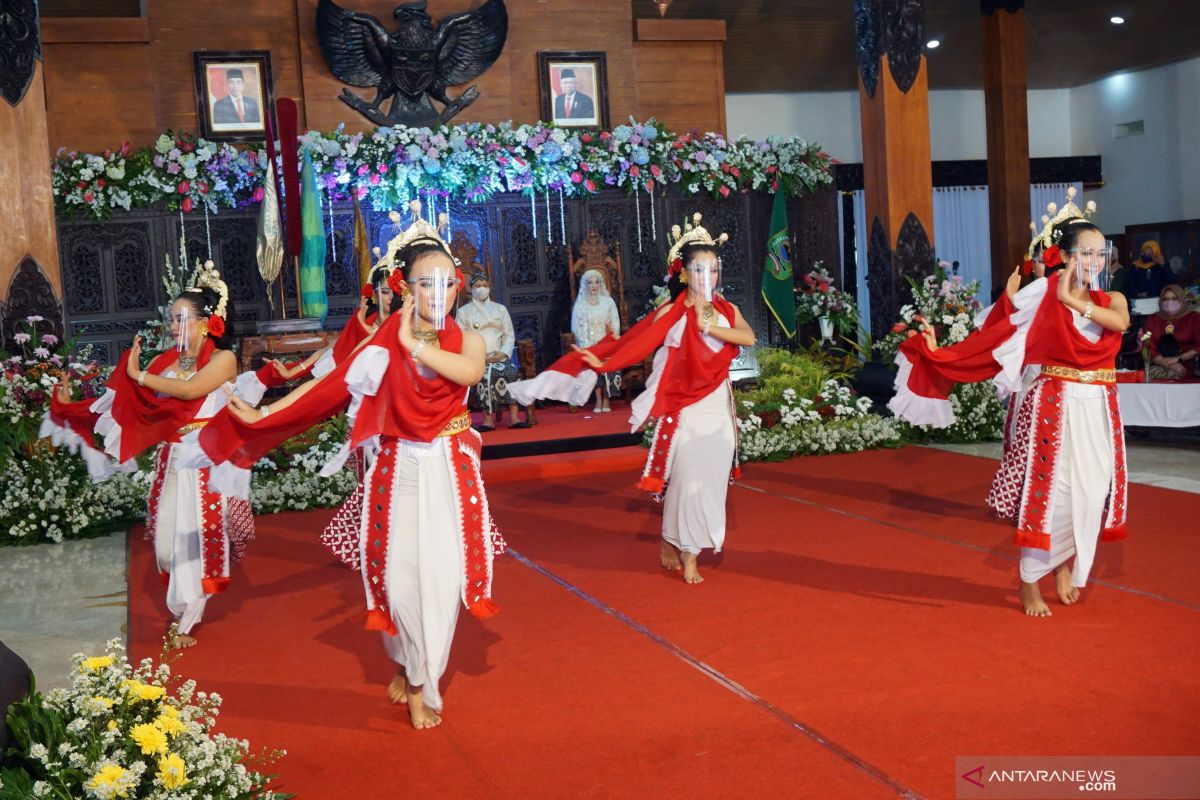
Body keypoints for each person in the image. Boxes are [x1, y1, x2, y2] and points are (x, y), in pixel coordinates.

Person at [187, 208, 503, 731]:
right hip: (397, 467)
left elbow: (468, 372)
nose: (440, 292)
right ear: (406, 287)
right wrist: (266, 414)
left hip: (449, 470)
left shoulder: (466, 339)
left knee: (443, 581)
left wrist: (412, 345)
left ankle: (425, 681)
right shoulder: (381, 342)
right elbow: (329, 390)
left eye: (449, 282)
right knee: (400, 582)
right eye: (427, 282)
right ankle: (405, 658)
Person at [890, 216, 1131, 618]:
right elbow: (997, 334)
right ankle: (1029, 578)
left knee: (1095, 493)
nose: (1095, 259)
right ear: (1067, 256)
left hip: (1099, 405)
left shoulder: (1113, 300)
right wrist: (945, 352)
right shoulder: (1043, 294)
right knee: (1057, 495)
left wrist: (1073, 301)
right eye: (1085, 252)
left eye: (1100, 253)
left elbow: (1120, 323)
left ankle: (1055, 563)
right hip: (1055, 404)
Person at [513, 214, 755, 584]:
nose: (709, 277)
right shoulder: (671, 313)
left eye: (714, 269)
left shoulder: (725, 310)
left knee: (710, 478)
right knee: (688, 478)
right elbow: (634, 344)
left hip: (716, 402)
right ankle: (685, 549)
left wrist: (711, 325)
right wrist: (601, 360)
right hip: (685, 405)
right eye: (700, 269)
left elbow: (748, 338)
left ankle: (678, 541)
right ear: (685, 274)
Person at [43, 263, 253, 648]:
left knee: (195, 544)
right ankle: (183, 610)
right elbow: (125, 405)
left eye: (180, 319)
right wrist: (72, 407)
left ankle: (186, 621)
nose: (173, 327)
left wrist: (139, 375)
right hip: (172, 460)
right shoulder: (165, 363)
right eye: (171, 320)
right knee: (165, 548)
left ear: (206, 322)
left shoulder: (222, 360)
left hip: (206, 461)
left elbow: (190, 393)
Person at [455, 271, 531, 430]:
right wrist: (477, 355)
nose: (481, 289)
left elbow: (509, 334)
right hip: (478, 358)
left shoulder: (500, 309)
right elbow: (460, 337)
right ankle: (487, 420)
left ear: (489, 288)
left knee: (511, 372)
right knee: (483, 377)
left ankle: (514, 417)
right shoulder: (463, 312)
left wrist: (503, 353)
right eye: (477, 286)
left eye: (484, 286)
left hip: (500, 356)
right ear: (471, 289)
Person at [571, 268, 622, 413]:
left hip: (607, 344)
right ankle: (598, 399)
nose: (593, 285)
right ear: (584, 285)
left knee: (609, 361)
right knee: (592, 364)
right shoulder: (580, 304)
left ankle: (607, 399)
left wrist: (609, 342)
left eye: (596, 282)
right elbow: (576, 328)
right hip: (588, 345)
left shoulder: (608, 302)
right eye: (590, 282)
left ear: (601, 284)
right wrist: (586, 345)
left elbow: (615, 324)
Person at [1143, 284, 1199, 379]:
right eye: (1166, 299)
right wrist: (1167, 363)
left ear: (1182, 300)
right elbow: (1147, 345)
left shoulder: (1194, 318)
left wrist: (1180, 358)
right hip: (1160, 367)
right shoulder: (1153, 319)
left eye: (1174, 298)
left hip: (1190, 368)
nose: (1170, 302)